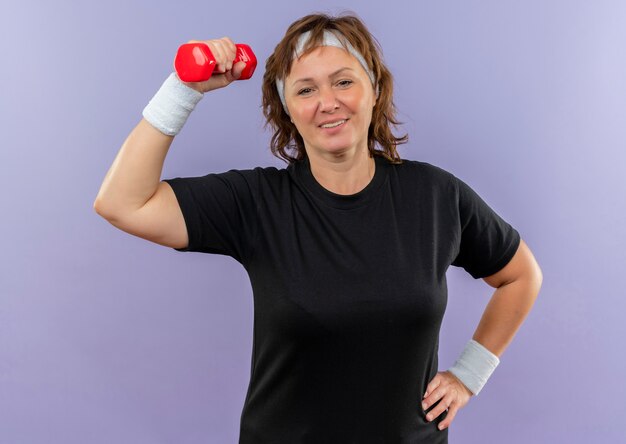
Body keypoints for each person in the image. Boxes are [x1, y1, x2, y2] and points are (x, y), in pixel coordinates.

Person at [94, 12, 542, 444]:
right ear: (287, 109)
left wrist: (470, 374)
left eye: (344, 81)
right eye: (305, 90)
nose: (328, 103)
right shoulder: (256, 202)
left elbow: (521, 276)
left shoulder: (437, 195)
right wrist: (183, 89)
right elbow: (122, 203)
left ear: (375, 88)